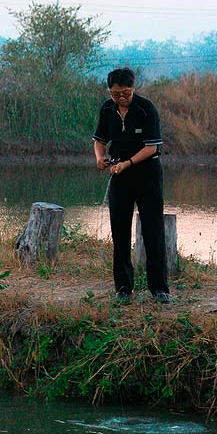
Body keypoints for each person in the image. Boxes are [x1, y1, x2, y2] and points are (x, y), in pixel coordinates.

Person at [93, 67, 170, 303]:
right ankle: (124, 288)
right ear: (110, 92)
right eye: (116, 94)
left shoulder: (146, 109)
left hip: (147, 174)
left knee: (153, 230)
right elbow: (100, 140)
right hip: (119, 175)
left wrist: (127, 163)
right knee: (120, 229)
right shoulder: (107, 109)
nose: (121, 98)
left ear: (133, 88)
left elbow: (152, 148)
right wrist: (100, 158)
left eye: (125, 93)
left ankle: (159, 288)